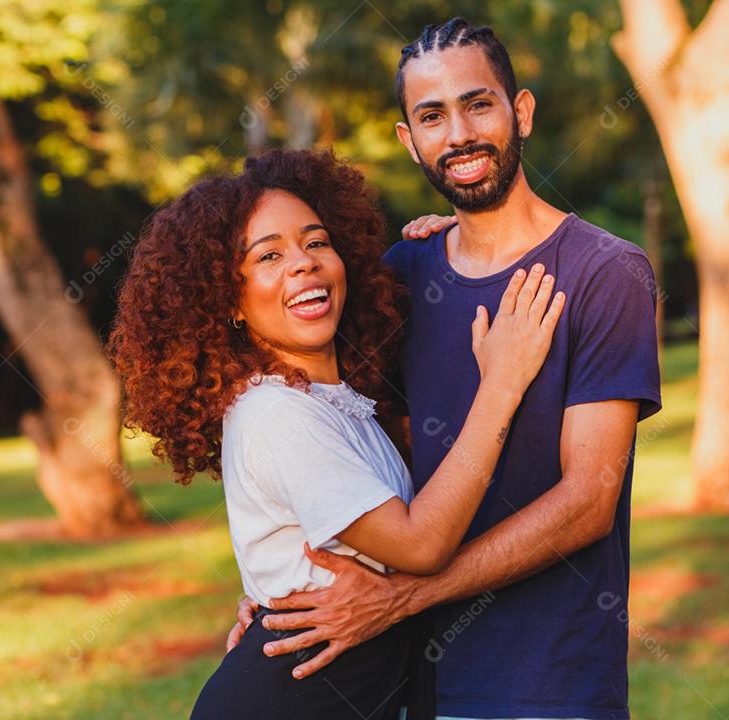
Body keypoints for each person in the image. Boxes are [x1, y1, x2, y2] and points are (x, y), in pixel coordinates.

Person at [231, 18, 663, 720]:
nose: (458, 134)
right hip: (406, 680)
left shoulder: (603, 272)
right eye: (432, 115)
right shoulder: (398, 279)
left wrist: (409, 593)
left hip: (546, 683)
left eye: (478, 104)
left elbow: (590, 500)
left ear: (519, 111)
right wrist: (274, 579)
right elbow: (344, 453)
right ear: (410, 139)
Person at [108, 148, 565, 720]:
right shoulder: (278, 414)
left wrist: (459, 238)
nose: (303, 263)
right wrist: (503, 383)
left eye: (316, 241)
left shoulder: (336, 405)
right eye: (268, 255)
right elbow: (421, 545)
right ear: (229, 302)